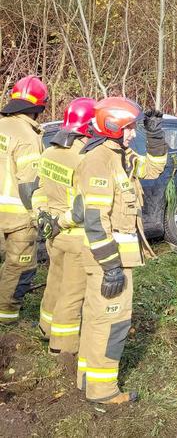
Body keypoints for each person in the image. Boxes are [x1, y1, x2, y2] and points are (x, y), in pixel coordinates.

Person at [76, 97, 167, 404]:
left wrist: (155, 135)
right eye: (128, 128)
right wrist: (111, 265)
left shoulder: (121, 155)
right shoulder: (99, 160)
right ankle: (103, 391)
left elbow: (153, 169)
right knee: (112, 323)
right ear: (112, 126)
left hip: (113, 258)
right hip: (107, 259)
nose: (132, 134)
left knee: (96, 319)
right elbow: (95, 221)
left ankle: (88, 381)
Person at [34, 98, 96, 354]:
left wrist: (44, 218)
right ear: (90, 127)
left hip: (53, 234)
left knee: (55, 282)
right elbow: (85, 206)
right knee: (73, 293)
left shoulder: (48, 152)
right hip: (75, 235)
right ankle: (63, 347)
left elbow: (37, 190)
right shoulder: (84, 159)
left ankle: (45, 328)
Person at [0, 76, 48, 323]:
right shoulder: (28, 137)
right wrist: (38, 216)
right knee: (20, 266)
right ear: (38, 108)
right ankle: (6, 318)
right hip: (17, 215)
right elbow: (29, 184)